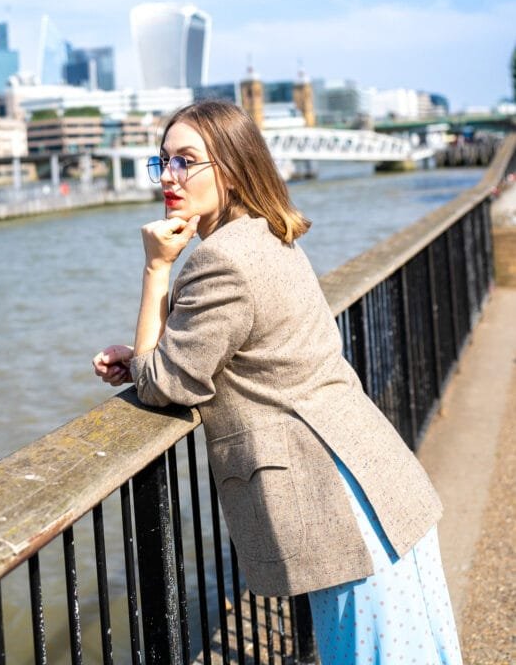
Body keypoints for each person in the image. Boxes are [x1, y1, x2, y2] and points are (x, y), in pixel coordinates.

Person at [93, 100, 463, 665]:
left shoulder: (219, 260)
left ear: (234, 169)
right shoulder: (266, 235)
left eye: (186, 161)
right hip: (374, 478)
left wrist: (156, 268)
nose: (168, 177)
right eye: (162, 160)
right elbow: (207, 349)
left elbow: (164, 384)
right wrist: (154, 353)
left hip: (339, 501)